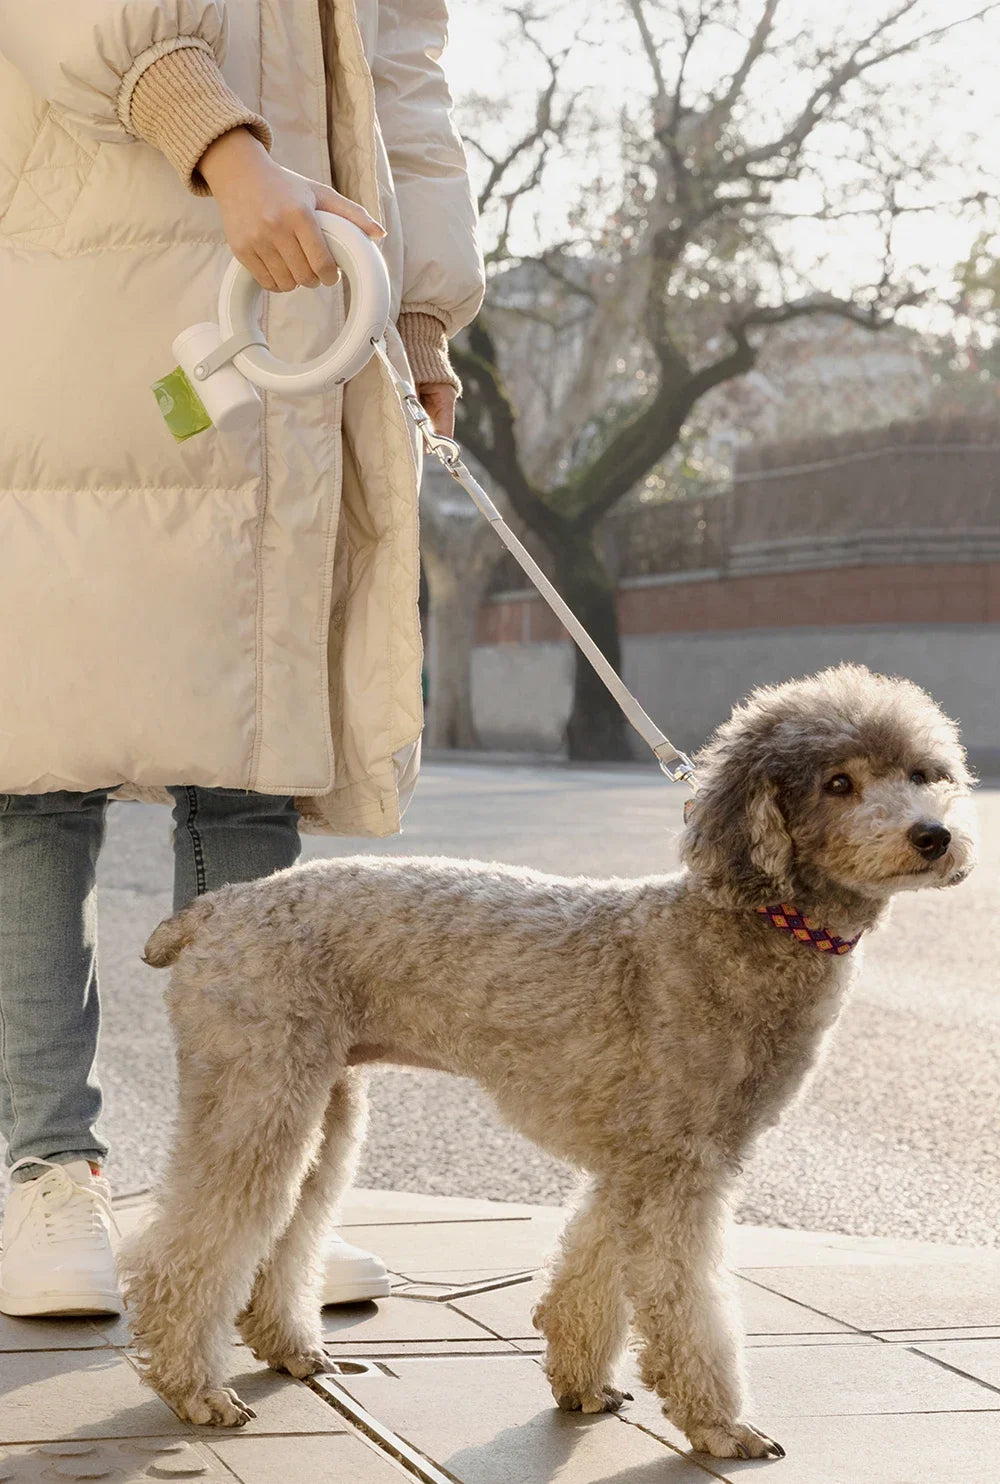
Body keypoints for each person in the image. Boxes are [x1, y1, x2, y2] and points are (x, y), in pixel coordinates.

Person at [0, 0, 484, 1317]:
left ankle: (249, 1190)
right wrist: (218, 142)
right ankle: (46, 1176)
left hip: (292, 311)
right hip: (79, 280)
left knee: (251, 750)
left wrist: (424, 315)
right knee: (40, 764)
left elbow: (405, 75)